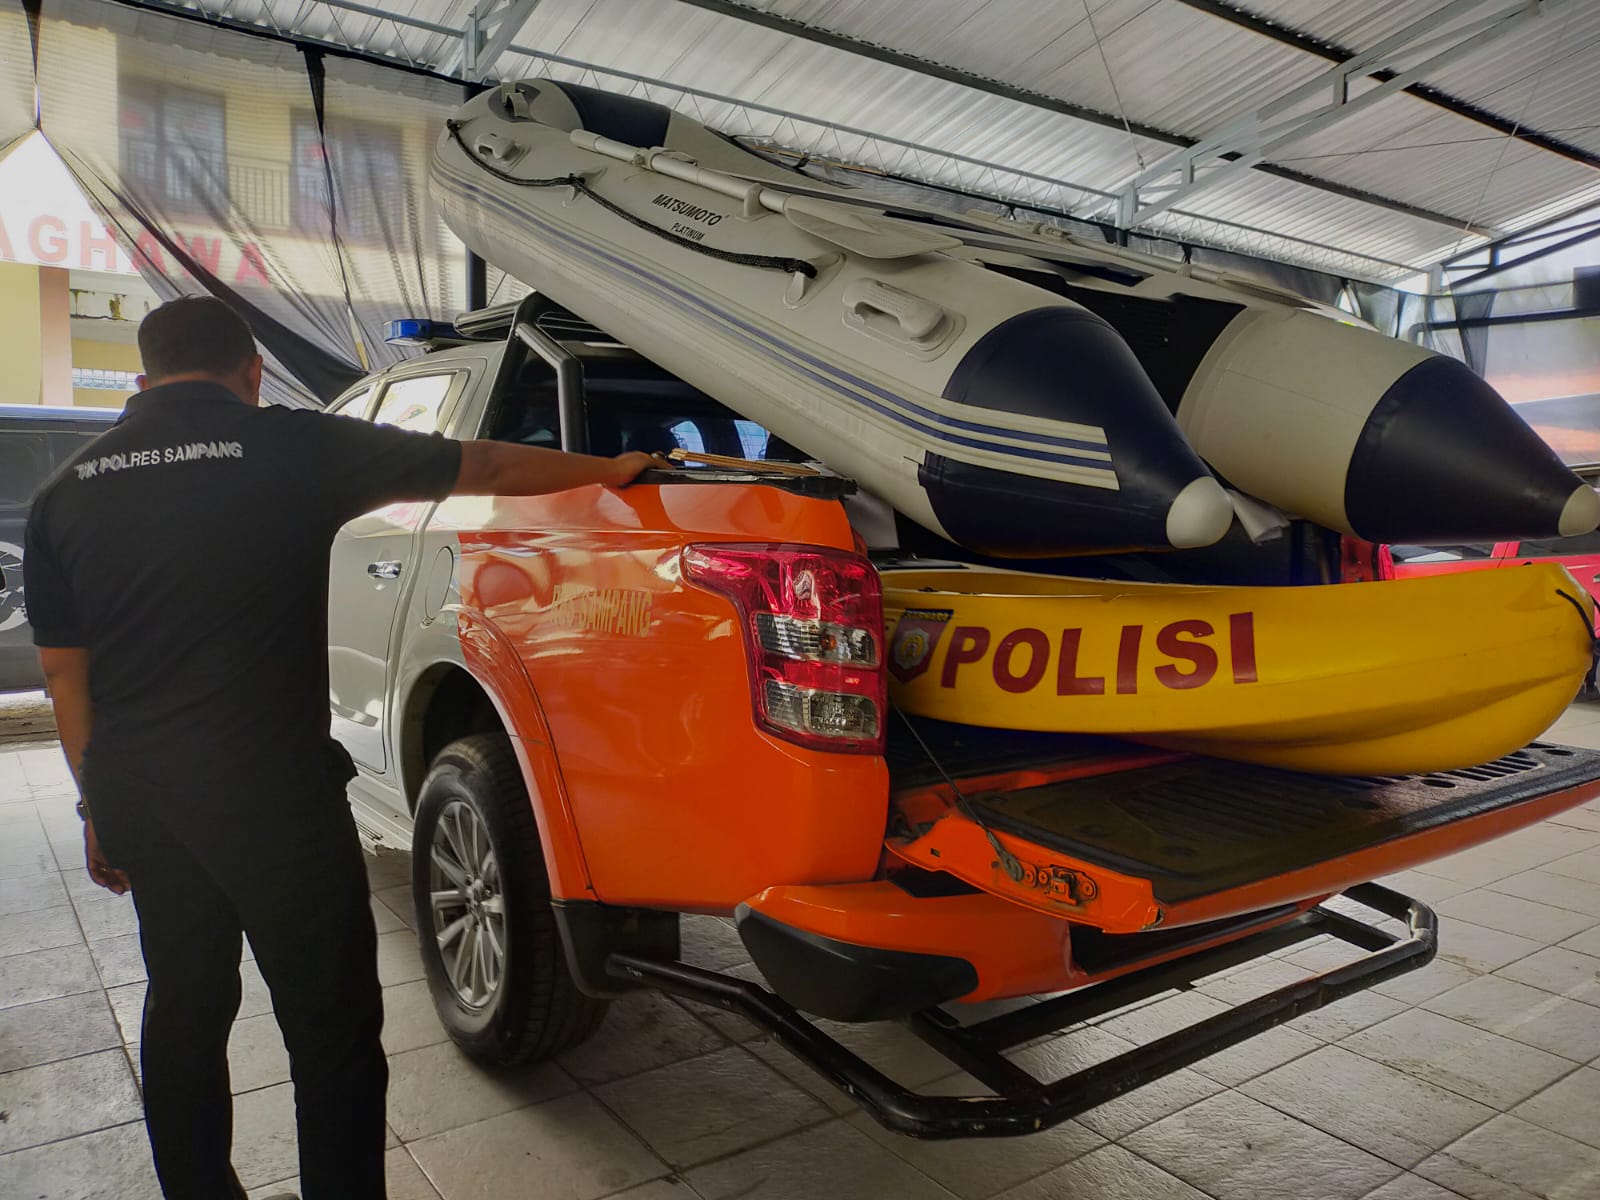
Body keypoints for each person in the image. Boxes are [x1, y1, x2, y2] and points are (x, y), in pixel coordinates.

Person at [24, 296, 656, 1200]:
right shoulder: (292, 443)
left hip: (145, 795)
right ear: (251, 372)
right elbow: (482, 463)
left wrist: (99, 807)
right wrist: (612, 467)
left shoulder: (66, 490)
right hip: (273, 793)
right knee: (331, 1027)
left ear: (141, 378)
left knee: (186, 1006)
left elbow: (64, 675)